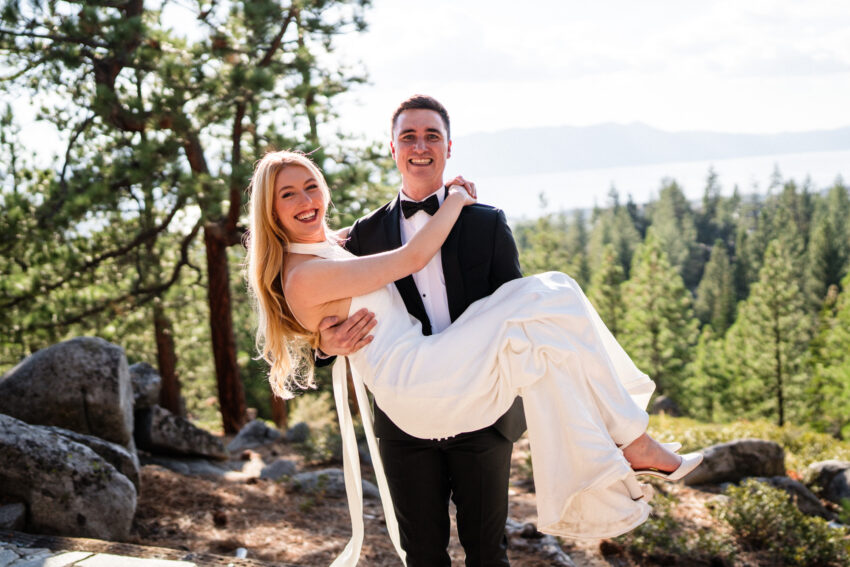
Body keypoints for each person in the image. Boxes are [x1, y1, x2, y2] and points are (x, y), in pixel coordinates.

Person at [245, 151, 703, 567]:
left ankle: (621, 443)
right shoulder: (305, 273)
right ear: (271, 210)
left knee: (547, 327)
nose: (305, 199)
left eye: (311, 186)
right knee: (555, 294)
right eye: (288, 194)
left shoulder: (326, 248)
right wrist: (457, 198)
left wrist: (325, 339)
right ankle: (631, 442)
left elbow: (341, 272)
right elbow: (412, 255)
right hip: (415, 382)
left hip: (432, 370)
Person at [317, 95, 526, 567]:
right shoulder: (361, 238)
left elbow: (517, 314)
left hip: (483, 414)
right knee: (422, 555)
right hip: (402, 418)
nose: (420, 146)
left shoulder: (487, 224)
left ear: (448, 148)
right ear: (392, 148)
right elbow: (318, 317)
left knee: (488, 553)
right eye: (408, 136)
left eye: (432, 136)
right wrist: (326, 346)